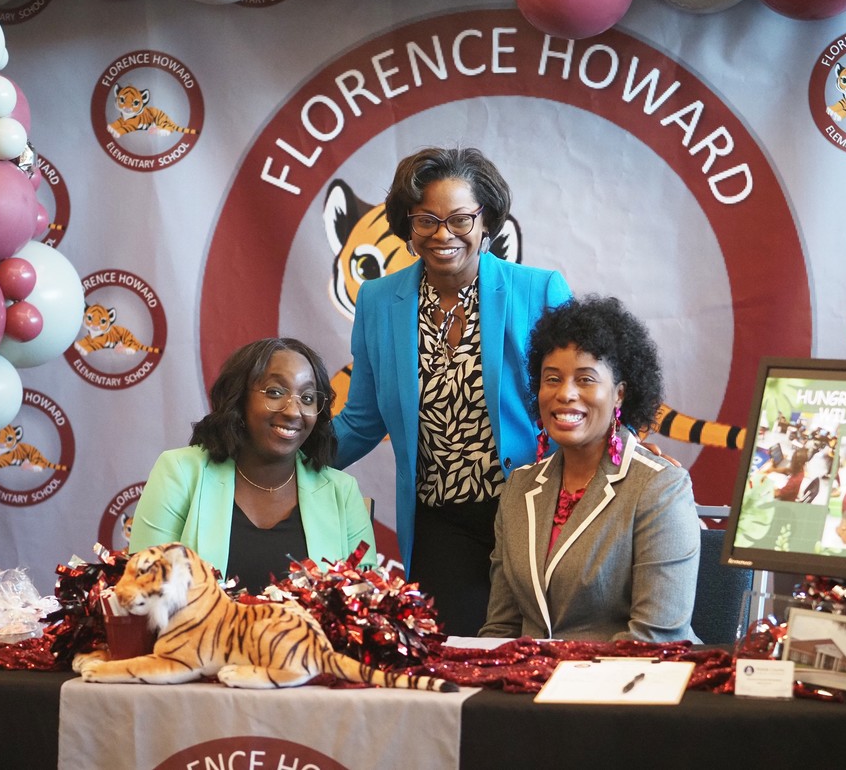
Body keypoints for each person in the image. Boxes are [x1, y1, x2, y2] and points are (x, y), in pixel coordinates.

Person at [331, 146, 572, 637]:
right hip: (442, 522)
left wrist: (631, 460)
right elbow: (360, 420)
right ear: (408, 226)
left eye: (460, 218)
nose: (443, 234)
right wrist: (273, 459)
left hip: (535, 512)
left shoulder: (539, 290)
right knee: (454, 656)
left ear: (486, 221)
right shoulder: (379, 301)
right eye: (426, 220)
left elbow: (587, 399)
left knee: (542, 657)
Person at [479, 296, 701, 642]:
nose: (565, 393)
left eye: (585, 379)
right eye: (552, 379)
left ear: (620, 395)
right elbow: (501, 630)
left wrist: (555, 684)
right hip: (526, 688)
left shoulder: (660, 488)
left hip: (627, 686)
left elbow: (656, 637)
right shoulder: (519, 488)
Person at [130, 338, 376, 594]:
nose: (293, 411)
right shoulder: (180, 472)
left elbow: (368, 604)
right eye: (275, 392)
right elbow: (141, 591)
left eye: (307, 397)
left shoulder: (342, 492)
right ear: (239, 399)